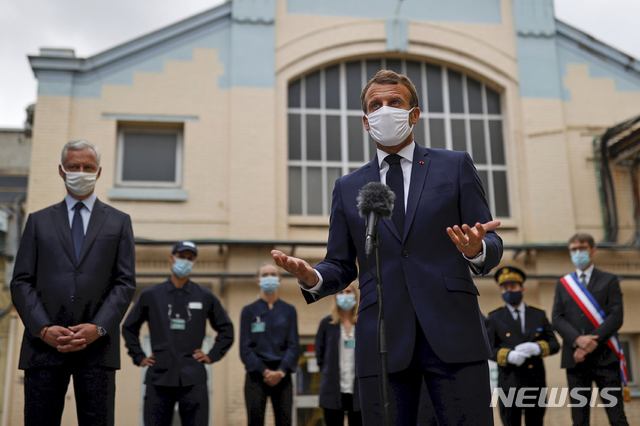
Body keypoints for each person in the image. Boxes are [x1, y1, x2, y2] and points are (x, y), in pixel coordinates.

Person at [272, 69, 503, 425]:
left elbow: (489, 238)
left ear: (414, 114)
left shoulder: (454, 165)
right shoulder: (348, 186)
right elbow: (341, 262)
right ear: (366, 122)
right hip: (382, 338)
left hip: (453, 331)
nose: (384, 110)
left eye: (394, 102)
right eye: (375, 105)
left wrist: (475, 249)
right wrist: (313, 275)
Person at [10, 140, 136, 426]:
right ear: (61, 170)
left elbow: (125, 283)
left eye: (87, 167)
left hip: (97, 348)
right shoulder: (38, 221)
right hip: (43, 347)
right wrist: (42, 328)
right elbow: (21, 281)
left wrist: (99, 327)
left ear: (99, 172)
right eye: (73, 167)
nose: (81, 172)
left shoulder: (119, 222)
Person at [122, 241, 234, 426]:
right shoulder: (151, 295)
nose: (185, 261)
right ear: (171, 258)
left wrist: (212, 355)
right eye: (182, 257)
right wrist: (139, 356)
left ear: (194, 262)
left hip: (193, 377)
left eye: (190, 258)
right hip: (159, 377)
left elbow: (226, 329)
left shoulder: (204, 296)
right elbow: (129, 327)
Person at [552, 233, 629, 426]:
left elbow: (616, 316)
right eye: (573, 249)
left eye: (582, 248)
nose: (578, 253)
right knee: (579, 418)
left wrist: (590, 343)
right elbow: (557, 318)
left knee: (617, 416)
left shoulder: (609, 280)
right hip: (575, 359)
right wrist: (578, 340)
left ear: (592, 251)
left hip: (605, 356)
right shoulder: (563, 284)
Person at [486, 266, 560, 426]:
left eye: (513, 287)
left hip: (535, 382)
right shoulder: (494, 317)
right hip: (509, 383)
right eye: (505, 288)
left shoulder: (538, 314)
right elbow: (488, 349)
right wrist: (508, 355)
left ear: (522, 288)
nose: (509, 291)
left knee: (536, 422)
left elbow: (554, 344)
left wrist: (538, 348)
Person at [240, 264, 299, 426]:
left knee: (285, 420)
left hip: (283, 375)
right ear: (258, 281)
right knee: (255, 421)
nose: (269, 277)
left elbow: (294, 345)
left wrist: (280, 371)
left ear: (279, 279)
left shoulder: (289, 311)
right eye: (265, 275)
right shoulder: (248, 311)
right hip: (256, 375)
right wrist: (264, 371)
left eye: (273, 274)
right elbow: (244, 349)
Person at [315, 283, 362, 426]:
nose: (345, 295)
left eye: (349, 292)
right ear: (336, 296)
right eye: (341, 292)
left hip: (359, 390)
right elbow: (320, 354)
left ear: (355, 295)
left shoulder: (363, 322)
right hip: (333, 388)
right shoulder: (327, 323)